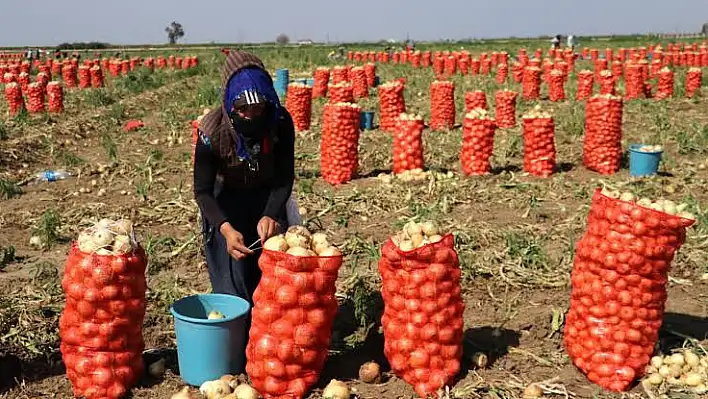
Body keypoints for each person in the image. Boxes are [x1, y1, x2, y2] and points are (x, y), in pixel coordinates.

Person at [194, 50, 295, 311]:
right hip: (225, 203)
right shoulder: (211, 131)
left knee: (274, 283)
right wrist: (226, 230)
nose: (251, 115)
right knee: (234, 286)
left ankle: (266, 341)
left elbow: (284, 177)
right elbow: (203, 192)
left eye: (259, 107)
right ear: (230, 104)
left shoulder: (280, 121)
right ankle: (237, 342)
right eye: (243, 109)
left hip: (266, 197)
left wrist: (272, 214)